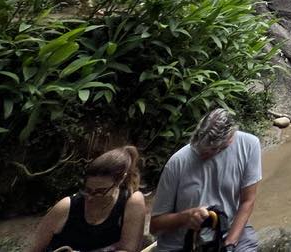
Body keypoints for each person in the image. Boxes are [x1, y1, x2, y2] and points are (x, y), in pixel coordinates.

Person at [150, 108, 262, 252]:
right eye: (199, 149)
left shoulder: (249, 145)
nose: (202, 154)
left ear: (229, 141)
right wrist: (186, 217)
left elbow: (248, 201)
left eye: (209, 151)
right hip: (182, 243)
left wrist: (229, 243)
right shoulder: (177, 162)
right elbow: (155, 226)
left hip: (228, 231)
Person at [29, 146, 146, 252]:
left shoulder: (132, 202)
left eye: (100, 192)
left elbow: (129, 248)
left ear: (120, 180)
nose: (90, 197)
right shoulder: (66, 206)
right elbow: (34, 249)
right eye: (88, 190)